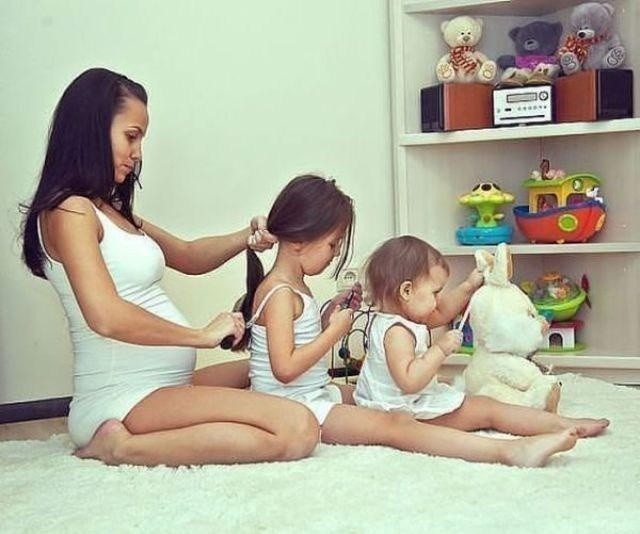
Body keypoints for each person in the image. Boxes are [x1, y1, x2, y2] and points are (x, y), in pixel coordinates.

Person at [19, 68, 320, 467]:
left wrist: (247, 238)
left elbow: (189, 255)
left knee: (263, 372)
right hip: (122, 395)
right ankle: (119, 447)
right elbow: (105, 316)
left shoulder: (111, 210)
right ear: (92, 129)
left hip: (164, 385)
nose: (138, 153)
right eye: (131, 136)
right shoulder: (70, 212)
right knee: (298, 427)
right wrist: (199, 336)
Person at [240, 178, 608, 467]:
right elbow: (285, 368)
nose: (335, 254)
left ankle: (563, 424)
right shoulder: (279, 292)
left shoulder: (295, 286)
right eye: (332, 245)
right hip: (292, 406)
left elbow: (435, 313)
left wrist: (327, 316)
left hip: (316, 393)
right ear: (300, 241)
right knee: (397, 425)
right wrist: (334, 332)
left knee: (461, 405)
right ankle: (508, 452)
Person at [353, 235, 609, 466]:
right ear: (407, 290)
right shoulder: (396, 333)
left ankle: (561, 424)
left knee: (485, 406)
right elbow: (409, 381)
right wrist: (440, 349)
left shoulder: (405, 317)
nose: (438, 300)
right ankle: (560, 426)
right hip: (402, 409)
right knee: (487, 410)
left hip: (408, 402)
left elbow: (442, 312)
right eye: (435, 292)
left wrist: (468, 286)